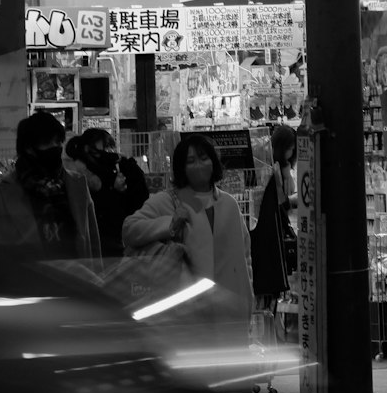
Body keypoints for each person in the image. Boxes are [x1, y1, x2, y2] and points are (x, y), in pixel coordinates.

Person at [121, 133, 254, 326]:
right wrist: (169, 224)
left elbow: (245, 256)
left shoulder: (229, 204)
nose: (198, 165)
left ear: (213, 161)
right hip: (186, 315)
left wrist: (248, 298)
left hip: (231, 313)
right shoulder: (168, 201)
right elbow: (130, 229)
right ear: (181, 168)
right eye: (190, 161)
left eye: (203, 158)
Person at [0, 110, 100, 263]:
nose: (56, 147)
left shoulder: (77, 184)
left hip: (78, 279)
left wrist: (98, 278)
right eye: (48, 143)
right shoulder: (3, 192)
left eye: (58, 142)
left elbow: (92, 241)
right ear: (29, 148)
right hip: (30, 283)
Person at [68, 129, 149, 257]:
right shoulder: (80, 174)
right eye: (105, 147)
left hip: (116, 238)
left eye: (110, 147)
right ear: (87, 149)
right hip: (100, 239)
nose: (109, 152)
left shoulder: (122, 167)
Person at [250, 124, 298, 307]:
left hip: (264, 239)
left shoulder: (267, 165)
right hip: (270, 242)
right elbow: (283, 199)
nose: (293, 153)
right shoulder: (276, 169)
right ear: (284, 147)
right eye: (292, 149)